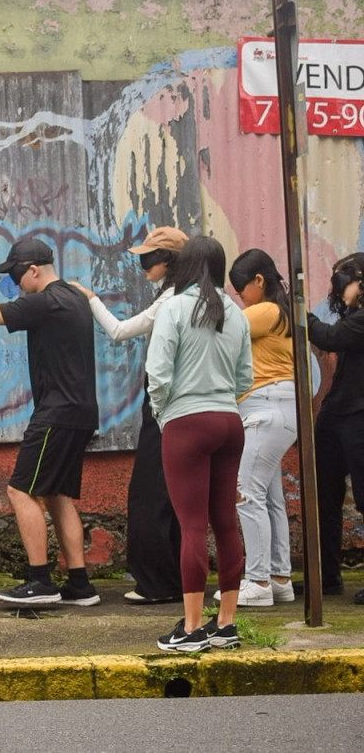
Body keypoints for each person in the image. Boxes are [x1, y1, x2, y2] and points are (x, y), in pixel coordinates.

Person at [0, 238, 100, 606]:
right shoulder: (74, 297)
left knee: (20, 490)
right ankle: (79, 584)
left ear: (34, 269)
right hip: (81, 412)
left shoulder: (46, 302)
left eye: (17, 275)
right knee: (57, 494)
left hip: (56, 412)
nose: (16, 283)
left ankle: (40, 581)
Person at [70, 226, 187, 606]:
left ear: (168, 262)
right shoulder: (192, 297)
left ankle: (157, 582)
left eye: (148, 259)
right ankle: (174, 579)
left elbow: (120, 331)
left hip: (165, 408)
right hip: (186, 409)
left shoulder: (170, 300)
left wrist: (90, 299)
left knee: (149, 495)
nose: (142, 266)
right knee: (175, 497)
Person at [146, 236, 253, 652]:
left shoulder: (173, 308)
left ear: (184, 267)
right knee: (225, 520)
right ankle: (225, 624)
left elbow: (158, 374)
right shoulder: (236, 313)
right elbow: (246, 378)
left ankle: (190, 629)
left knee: (192, 525)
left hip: (187, 422)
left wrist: (162, 414)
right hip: (229, 421)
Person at [214, 249, 297, 607]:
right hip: (278, 409)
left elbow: (222, 329)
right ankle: (279, 578)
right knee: (270, 498)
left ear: (259, 282)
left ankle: (258, 581)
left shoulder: (266, 311)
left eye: (240, 289)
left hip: (265, 408)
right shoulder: (283, 312)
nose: (239, 297)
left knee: (245, 492)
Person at [306, 252, 364, 604]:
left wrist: (295, 309)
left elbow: (328, 336)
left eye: (345, 284)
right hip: (337, 412)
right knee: (322, 496)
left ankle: (328, 575)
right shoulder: (355, 317)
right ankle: (326, 576)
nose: (340, 291)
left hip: (358, 415)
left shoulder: (359, 321)